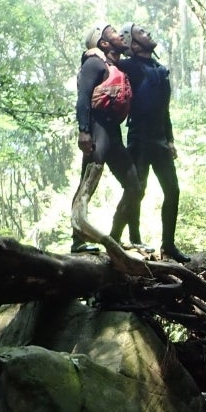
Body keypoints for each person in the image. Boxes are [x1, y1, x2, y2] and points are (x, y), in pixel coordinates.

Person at [117, 23, 191, 263]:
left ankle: (168, 244)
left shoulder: (161, 70)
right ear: (134, 44)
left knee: (173, 191)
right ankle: (130, 240)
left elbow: (164, 110)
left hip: (160, 141)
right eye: (141, 33)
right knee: (136, 191)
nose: (148, 33)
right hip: (138, 138)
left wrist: (170, 140)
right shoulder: (129, 66)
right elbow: (104, 63)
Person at [71, 23, 145, 253]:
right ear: (103, 43)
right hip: (96, 129)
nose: (120, 35)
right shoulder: (94, 63)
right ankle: (78, 241)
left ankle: (114, 238)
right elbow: (83, 98)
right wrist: (84, 130)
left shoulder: (117, 66)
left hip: (114, 133)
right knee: (87, 183)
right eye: (113, 32)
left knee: (135, 187)